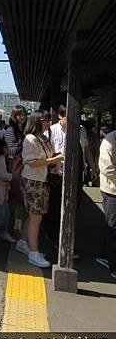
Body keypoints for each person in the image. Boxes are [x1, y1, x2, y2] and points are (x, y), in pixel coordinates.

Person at [16, 110, 64, 268]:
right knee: (36, 216)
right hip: (32, 181)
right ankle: (33, 253)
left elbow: (47, 158)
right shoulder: (30, 139)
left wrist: (55, 163)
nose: (48, 123)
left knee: (34, 215)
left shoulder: (44, 139)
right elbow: (32, 162)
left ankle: (23, 242)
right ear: (37, 121)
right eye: (45, 120)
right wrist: (56, 159)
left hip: (40, 180)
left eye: (49, 120)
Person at [44, 105, 96, 249]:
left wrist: (92, 167)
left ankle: (66, 237)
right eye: (69, 117)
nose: (74, 120)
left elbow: (86, 149)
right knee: (55, 206)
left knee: (74, 205)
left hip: (76, 173)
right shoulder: (52, 130)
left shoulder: (80, 130)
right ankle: (54, 237)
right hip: (57, 175)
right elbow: (47, 151)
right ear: (60, 116)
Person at [96, 129, 116, 279]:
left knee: (112, 225)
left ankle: (104, 255)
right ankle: (112, 264)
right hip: (111, 189)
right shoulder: (110, 140)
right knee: (113, 226)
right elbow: (107, 168)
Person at [4, 105, 27, 232]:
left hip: (24, 163)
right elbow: (9, 149)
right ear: (14, 116)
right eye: (18, 114)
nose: (21, 117)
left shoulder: (27, 129)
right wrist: (22, 144)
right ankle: (11, 224)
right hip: (14, 163)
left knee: (22, 194)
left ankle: (19, 223)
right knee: (14, 193)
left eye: (23, 114)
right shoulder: (10, 130)